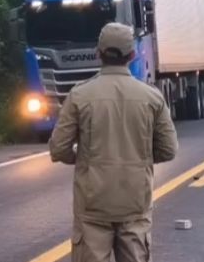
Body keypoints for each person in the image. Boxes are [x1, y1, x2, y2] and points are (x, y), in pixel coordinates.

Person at [49, 22, 178, 262]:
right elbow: (169, 150)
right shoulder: (152, 97)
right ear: (133, 54)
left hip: (93, 203)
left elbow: (58, 148)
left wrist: (82, 158)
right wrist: (140, 158)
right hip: (135, 201)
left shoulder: (79, 95)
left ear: (98, 53)